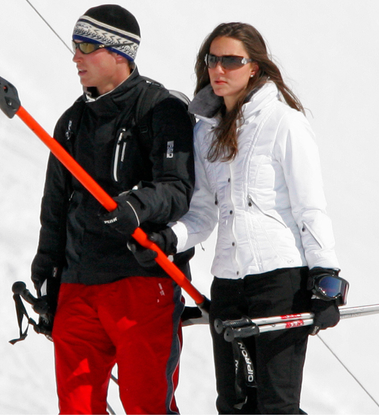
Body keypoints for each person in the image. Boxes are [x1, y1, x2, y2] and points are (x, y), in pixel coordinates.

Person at [130, 22, 349, 414]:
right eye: (212, 59)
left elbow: (310, 208)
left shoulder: (284, 123)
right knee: (234, 405)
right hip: (229, 283)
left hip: (280, 281)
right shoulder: (204, 134)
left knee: (275, 405)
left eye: (231, 60)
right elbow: (202, 212)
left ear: (254, 67)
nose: (218, 69)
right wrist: (167, 239)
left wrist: (326, 280)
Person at [30, 5, 194, 414]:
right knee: (77, 407)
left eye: (86, 46)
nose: (75, 57)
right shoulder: (71, 122)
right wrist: (47, 278)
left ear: (120, 53)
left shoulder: (159, 109)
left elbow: (177, 188)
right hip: (78, 286)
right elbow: (54, 209)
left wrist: (135, 208)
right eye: (74, 46)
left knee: (146, 405)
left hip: (142, 283)